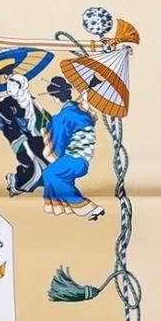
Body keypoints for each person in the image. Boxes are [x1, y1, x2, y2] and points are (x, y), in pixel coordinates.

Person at [40, 76, 105, 220]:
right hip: (82, 159)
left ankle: (90, 207)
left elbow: (58, 142)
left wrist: (46, 131)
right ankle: (65, 209)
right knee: (59, 177)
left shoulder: (63, 116)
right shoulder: (80, 110)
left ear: (55, 97)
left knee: (50, 174)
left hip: (74, 158)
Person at [0, 74, 48, 195]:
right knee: (28, 159)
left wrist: (39, 108)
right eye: (7, 84)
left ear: (21, 87)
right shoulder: (6, 104)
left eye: (12, 85)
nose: (8, 87)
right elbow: (12, 127)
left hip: (34, 136)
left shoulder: (30, 100)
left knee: (48, 155)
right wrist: (28, 149)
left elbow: (43, 118)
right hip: (18, 138)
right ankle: (17, 183)